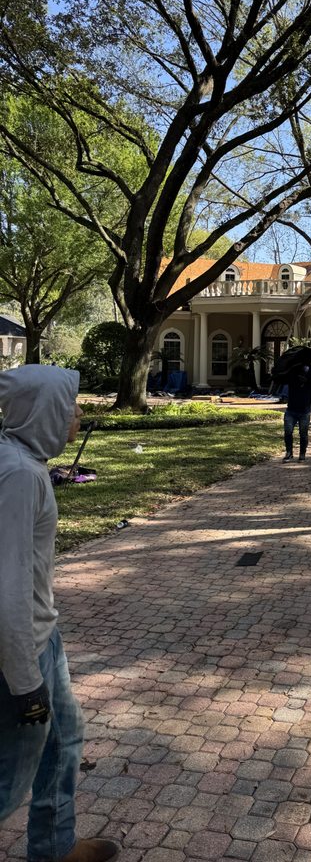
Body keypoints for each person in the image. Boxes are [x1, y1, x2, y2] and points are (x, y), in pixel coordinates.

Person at [0, 365, 119, 862]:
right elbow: (6, 587)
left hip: (44, 637)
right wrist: (25, 681)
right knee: (10, 777)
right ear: (44, 409)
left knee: (65, 738)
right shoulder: (18, 476)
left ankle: (54, 847)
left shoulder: (22, 463)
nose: (78, 413)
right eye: (70, 404)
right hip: (21, 651)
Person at [283, 361, 311, 462]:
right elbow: (283, 373)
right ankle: (289, 452)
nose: (301, 378)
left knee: (303, 434)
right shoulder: (292, 378)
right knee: (288, 432)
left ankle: (302, 453)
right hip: (291, 410)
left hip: (304, 411)